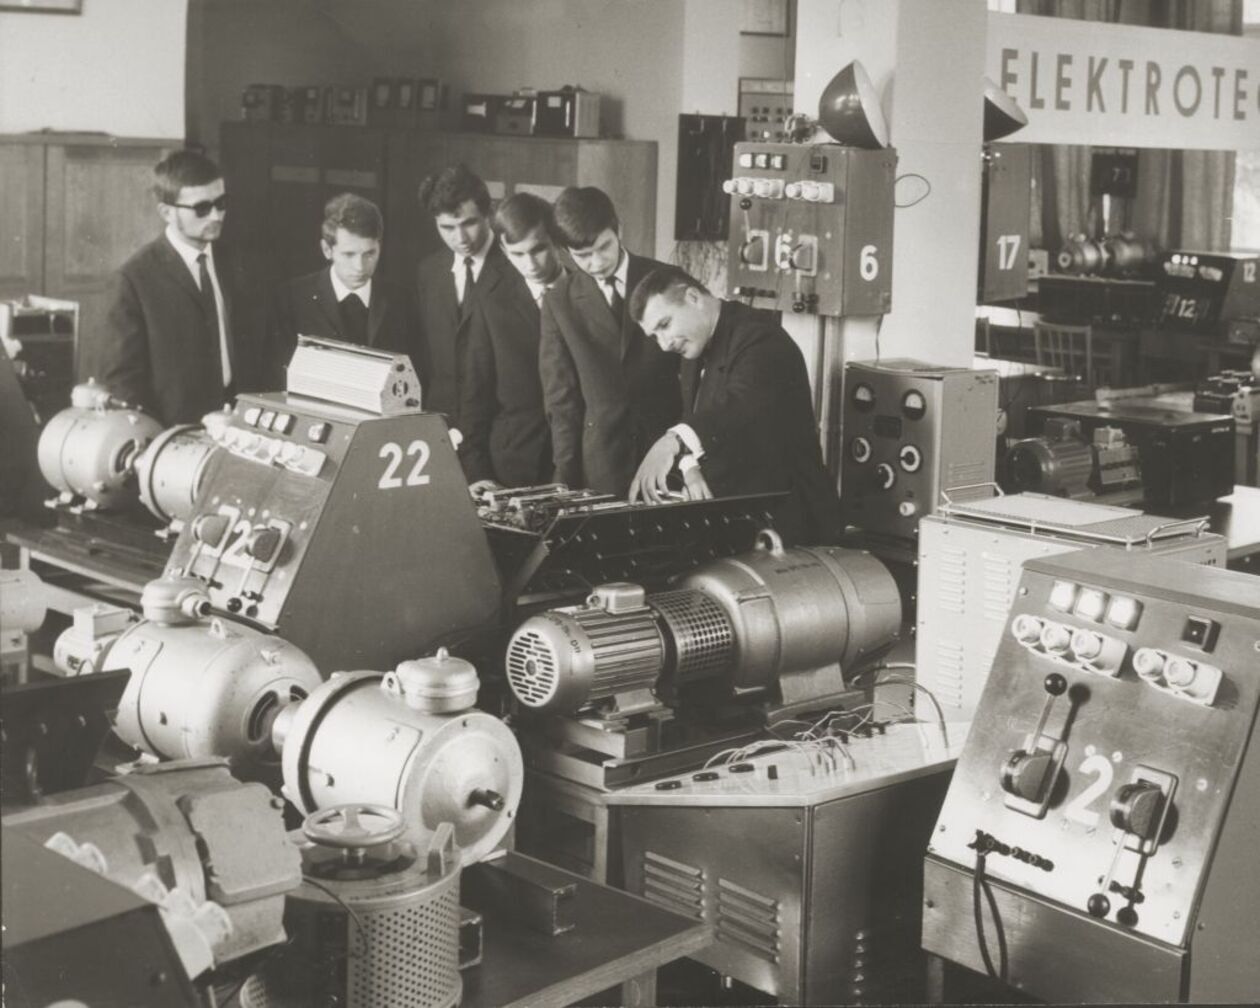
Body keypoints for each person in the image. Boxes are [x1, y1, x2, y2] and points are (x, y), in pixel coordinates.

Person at [627, 265, 844, 545]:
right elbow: (695, 415)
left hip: (793, 525)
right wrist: (690, 468)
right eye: (655, 336)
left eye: (665, 325)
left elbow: (739, 407)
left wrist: (672, 441)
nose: (664, 344)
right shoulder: (694, 345)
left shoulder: (761, 337)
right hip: (742, 520)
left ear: (693, 297)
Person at [85, 150, 270, 425]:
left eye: (221, 203)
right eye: (202, 208)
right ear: (167, 212)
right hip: (172, 436)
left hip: (237, 422)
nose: (216, 216)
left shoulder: (239, 263)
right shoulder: (133, 280)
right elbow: (123, 382)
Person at [539, 186, 679, 496]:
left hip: (667, 451)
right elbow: (561, 398)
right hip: (602, 465)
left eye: (604, 247)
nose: (597, 262)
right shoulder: (559, 303)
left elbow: (693, 376)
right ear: (565, 252)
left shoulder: (667, 279)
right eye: (582, 256)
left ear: (619, 230)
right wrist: (565, 476)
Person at [459, 193, 559, 492]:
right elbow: (475, 396)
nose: (531, 264)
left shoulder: (586, 294)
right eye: (517, 254)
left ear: (555, 240)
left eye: (539, 249)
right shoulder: (491, 303)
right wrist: (477, 473)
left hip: (579, 465)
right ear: (502, 249)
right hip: (511, 468)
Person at [271, 192, 419, 372]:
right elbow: (276, 380)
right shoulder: (292, 299)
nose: (360, 267)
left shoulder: (402, 301)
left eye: (370, 254)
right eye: (349, 254)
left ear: (380, 246)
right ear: (327, 250)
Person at [415, 164, 509, 426]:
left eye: (469, 223)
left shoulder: (516, 267)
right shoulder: (428, 271)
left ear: (488, 214)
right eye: (447, 227)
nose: (460, 238)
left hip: (499, 429)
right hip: (441, 422)